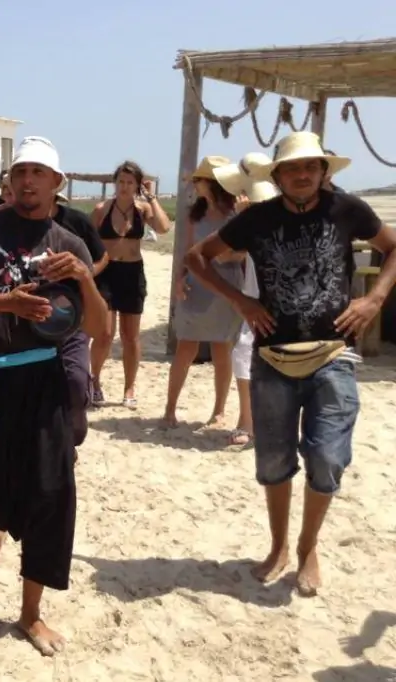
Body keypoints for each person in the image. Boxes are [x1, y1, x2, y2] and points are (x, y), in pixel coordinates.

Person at [185, 131, 396, 596]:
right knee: (274, 460)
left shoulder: (347, 210)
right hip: (272, 357)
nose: (302, 175)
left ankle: (308, 547)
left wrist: (374, 301)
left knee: (326, 458)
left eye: (310, 167)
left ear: (324, 172)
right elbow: (197, 257)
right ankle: (279, 546)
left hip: (333, 355)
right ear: (277, 176)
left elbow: (393, 247)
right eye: (292, 168)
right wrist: (241, 302)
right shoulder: (256, 219)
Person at [0, 136, 108, 656]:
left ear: (57, 183)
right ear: (9, 181)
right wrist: (4, 301)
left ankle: (31, 614)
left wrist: (83, 277)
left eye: (39, 172)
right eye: (20, 171)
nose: (28, 180)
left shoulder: (69, 243)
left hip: (42, 385)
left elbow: (101, 329)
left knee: (51, 495)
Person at [163, 156, 244, 429]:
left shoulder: (236, 213)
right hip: (196, 284)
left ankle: (219, 411)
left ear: (211, 183)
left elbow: (248, 250)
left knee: (222, 347)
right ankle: (169, 409)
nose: (194, 185)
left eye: (198, 180)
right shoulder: (193, 214)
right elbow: (187, 253)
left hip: (227, 283)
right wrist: (179, 280)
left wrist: (227, 255)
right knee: (186, 346)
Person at [89, 161, 172, 408]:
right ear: (115, 183)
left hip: (132, 272)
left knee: (130, 336)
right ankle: (94, 382)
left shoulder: (143, 209)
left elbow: (164, 227)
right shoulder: (101, 209)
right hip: (106, 273)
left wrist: (152, 197)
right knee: (104, 334)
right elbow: (86, 238)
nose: (124, 187)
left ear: (137, 185)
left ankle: (129, 387)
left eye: (129, 182)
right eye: (121, 182)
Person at [211, 152, 280, 446]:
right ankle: (250, 422)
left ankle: (250, 423)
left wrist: (244, 221)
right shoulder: (257, 212)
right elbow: (229, 254)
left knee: (248, 354)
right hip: (255, 296)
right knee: (246, 354)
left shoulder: (262, 215)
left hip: (270, 299)